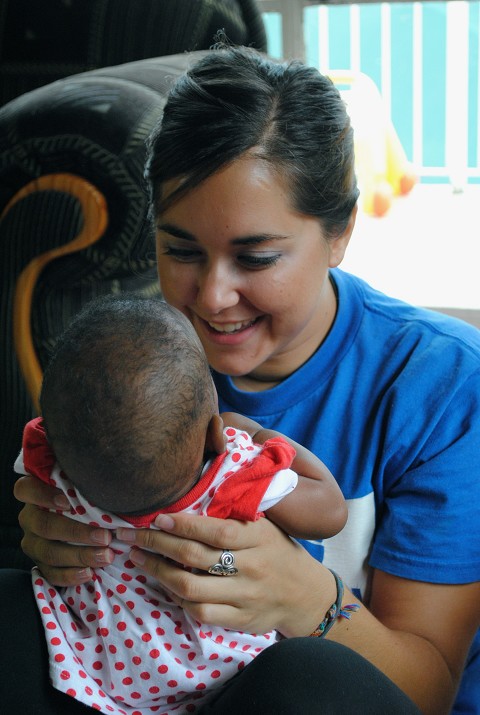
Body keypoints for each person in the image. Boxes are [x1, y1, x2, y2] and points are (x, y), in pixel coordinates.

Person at [9, 44, 480, 715]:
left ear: (341, 231)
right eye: (180, 250)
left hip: (322, 696)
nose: (213, 297)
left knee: (306, 679)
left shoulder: (442, 387)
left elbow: (426, 692)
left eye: (256, 257)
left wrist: (304, 597)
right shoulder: (129, 369)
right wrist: (53, 539)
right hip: (151, 689)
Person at [14, 294, 347, 714]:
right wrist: (260, 439)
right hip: (231, 678)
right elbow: (330, 513)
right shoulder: (234, 478)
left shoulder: (56, 474)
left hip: (103, 680)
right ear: (215, 433)